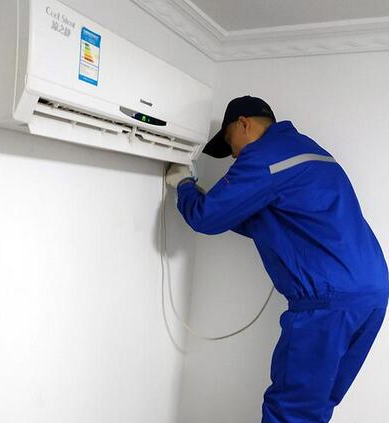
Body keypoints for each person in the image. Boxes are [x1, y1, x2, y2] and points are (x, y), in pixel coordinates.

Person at [165, 95, 389, 422]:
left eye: (229, 142)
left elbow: (206, 218)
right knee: (315, 406)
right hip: (371, 294)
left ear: (243, 124)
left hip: (328, 303)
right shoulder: (309, 151)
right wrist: (208, 200)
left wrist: (184, 184)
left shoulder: (262, 158)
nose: (234, 155)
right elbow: (266, 220)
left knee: (291, 413)